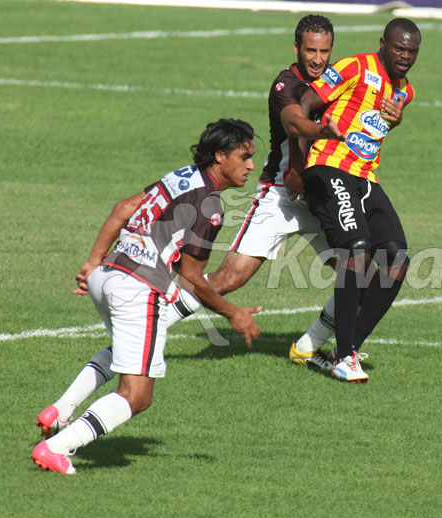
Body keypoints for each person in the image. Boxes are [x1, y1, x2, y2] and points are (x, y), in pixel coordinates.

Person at [32, 119, 263, 474]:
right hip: (137, 289)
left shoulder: (183, 176)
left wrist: (93, 262)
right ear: (220, 156)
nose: (251, 165)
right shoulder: (210, 207)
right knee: (137, 396)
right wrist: (234, 314)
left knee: (125, 350)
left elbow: (124, 207)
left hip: (107, 275)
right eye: (244, 157)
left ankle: (59, 411)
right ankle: (56, 447)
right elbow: (192, 278)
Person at [166, 15, 387, 371]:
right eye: (310, 51)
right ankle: (154, 322)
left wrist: (393, 114)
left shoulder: (337, 80)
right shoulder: (287, 84)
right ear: (296, 48)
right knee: (229, 278)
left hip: (324, 196)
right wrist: (321, 134)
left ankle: (309, 346)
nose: (318, 59)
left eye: (325, 52)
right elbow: (294, 122)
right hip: (282, 196)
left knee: (363, 276)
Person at [293, 18, 421, 382]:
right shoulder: (355, 66)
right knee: (358, 251)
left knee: (397, 260)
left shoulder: (405, 91)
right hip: (329, 167)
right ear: (383, 43)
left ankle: (344, 350)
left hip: (365, 177)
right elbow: (306, 101)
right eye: (399, 48)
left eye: (412, 51)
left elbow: (377, 125)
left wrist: (396, 121)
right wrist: (299, 165)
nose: (405, 56)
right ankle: (346, 357)